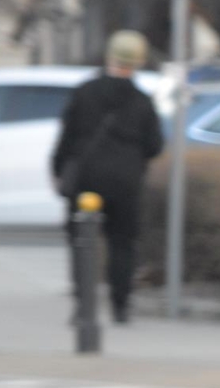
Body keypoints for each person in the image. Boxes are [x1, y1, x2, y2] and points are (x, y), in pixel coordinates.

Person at [49, 30, 166, 323]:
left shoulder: (85, 92)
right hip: (126, 180)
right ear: (137, 62)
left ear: (109, 57)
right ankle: (121, 306)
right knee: (123, 243)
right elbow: (155, 146)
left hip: (86, 177)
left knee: (81, 241)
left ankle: (83, 305)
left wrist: (57, 168)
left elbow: (67, 136)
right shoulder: (142, 101)